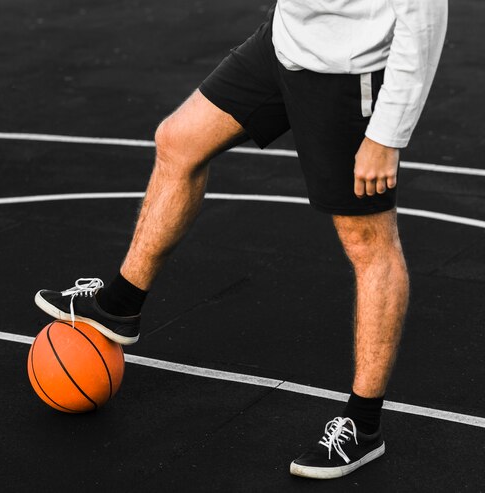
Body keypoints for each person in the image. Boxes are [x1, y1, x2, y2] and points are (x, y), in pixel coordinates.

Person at [36, 0, 448, 480]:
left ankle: (363, 424)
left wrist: (387, 134)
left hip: (347, 73)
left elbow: (426, 14)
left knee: (368, 242)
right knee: (179, 140)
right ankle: (119, 305)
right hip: (285, 42)